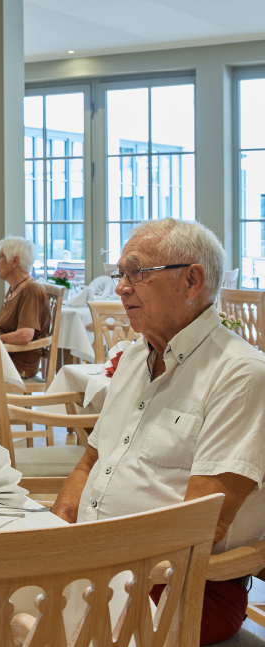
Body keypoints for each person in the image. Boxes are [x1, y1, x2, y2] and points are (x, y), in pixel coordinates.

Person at [51, 218, 265, 646]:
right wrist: (54, 542)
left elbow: (202, 523)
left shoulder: (241, 374)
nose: (121, 288)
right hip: (98, 568)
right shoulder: (134, 358)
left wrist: (90, 561)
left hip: (181, 590)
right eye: (121, 275)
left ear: (192, 280)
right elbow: (92, 461)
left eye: (137, 274)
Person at [0, 236, 51, 379]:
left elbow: (25, 335)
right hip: (4, 356)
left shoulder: (31, 290)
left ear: (15, 261)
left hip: (17, 365)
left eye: (1, 257)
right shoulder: (14, 289)